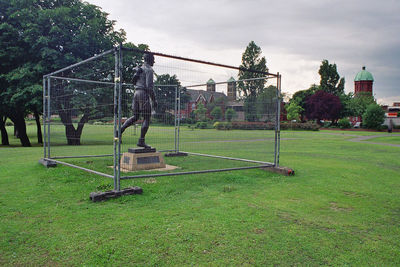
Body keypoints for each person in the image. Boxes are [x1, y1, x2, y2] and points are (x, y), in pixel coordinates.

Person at [119, 53, 157, 148]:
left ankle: (120, 130)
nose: (154, 61)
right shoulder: (149, 70)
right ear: (150, 60)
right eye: (153, 59)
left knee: (135, 116)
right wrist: (154, 99)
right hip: (143, 94)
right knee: (147, 118)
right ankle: (141, 141)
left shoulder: (139, 69)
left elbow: (133, 81)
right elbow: (149, 87)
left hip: (136, 93)